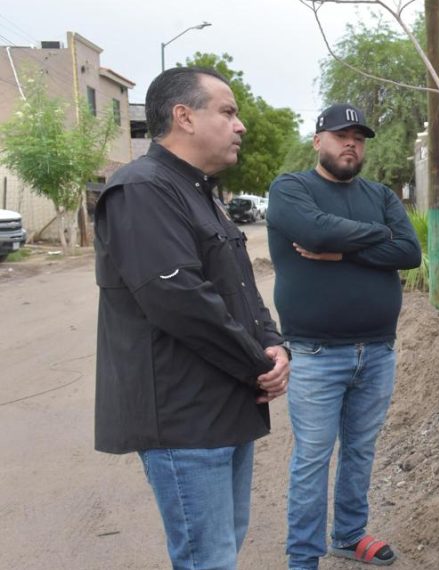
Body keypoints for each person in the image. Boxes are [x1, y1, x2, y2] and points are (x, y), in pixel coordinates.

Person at [93, 67, 290, 569]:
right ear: (183, 117)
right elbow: (178, 297)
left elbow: (241, 289)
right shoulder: (141, 189)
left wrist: (274, 345)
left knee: (223, 545)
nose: (240, 125)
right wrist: (257, 365)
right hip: (184, 417)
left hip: (225, 405)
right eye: (227, 111)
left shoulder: (200, 193)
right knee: (208, 558)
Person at [267, 103, 421, 569]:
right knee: (313, 459)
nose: (351, 143)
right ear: (319, 141)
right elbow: (313, 232)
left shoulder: (379, 195)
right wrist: (377, 239)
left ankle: (349, 535)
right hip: (316, 352)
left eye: (358, 136)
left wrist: (343, 252)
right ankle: (303, 559)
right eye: (340, 135)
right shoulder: (292, 188)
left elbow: (410, 251)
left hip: (377, 350)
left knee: (360, 450)